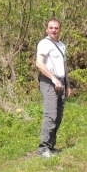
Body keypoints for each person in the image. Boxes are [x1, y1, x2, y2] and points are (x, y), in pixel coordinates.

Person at [35, 18, 71, 158]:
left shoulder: (61, 45)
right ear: (47, 29)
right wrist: (53, 78)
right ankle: (43, 149)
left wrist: (67, 84)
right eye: (51, 28)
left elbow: (64, 66)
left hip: (60, 82)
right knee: (50, 115)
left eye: (56, 28)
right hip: (49, 82)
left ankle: (51, 146)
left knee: (58, 116)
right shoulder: (44, 43)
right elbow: (39, 63)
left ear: (59, 29)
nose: (54, 30)